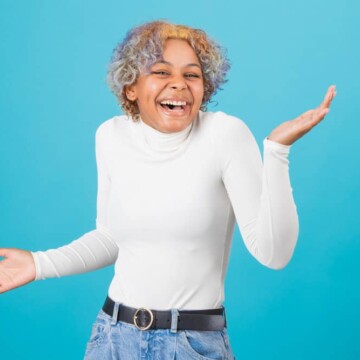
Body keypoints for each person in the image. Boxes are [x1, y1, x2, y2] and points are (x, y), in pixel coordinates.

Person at [0, 20, 336, 359]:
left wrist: (277, 152)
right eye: (161, 72)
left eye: (192, 75)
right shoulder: (110, 136)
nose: (178, 84)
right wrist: (38, 264)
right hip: (113, 337)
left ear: (206, 87)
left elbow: (273, 253)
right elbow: (111, 238)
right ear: (131, 86)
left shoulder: (225, 135)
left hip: (191, 344)